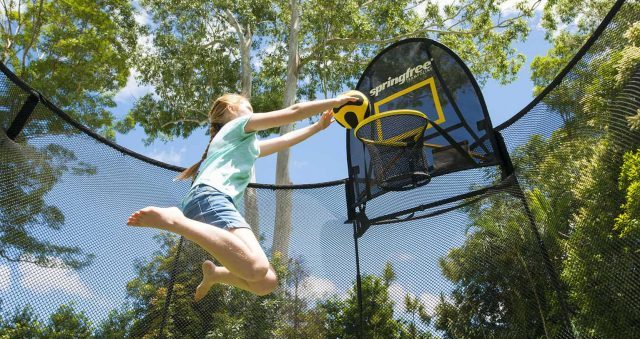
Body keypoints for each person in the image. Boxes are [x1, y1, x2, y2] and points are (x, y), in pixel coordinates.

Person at [126, 93, 355, 299]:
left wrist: (317, 127)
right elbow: (292, 112)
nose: (252, 112)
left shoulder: (243, 144)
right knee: (256, 267)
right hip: (211, 199)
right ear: (230, 110)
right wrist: (336, 101)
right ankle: (175, 222)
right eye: (249, 107)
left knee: (266, 282)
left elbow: (284, 141)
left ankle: (216, 275)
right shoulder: (237, 126)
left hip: (206, 203)